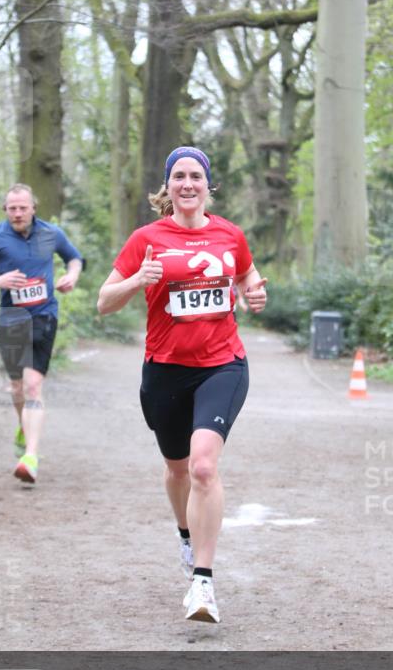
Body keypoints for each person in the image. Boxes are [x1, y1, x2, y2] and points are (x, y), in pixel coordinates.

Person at [97, 147, 267, 623]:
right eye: (179, 176)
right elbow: (103, 302)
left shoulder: (229, 234)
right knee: (176, 470)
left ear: (207, 186)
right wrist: (137, 280)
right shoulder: (147, 238)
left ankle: (203, 584)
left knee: (204, 468)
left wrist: (254, 291)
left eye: (196, 176)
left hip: (223, 365)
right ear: (167, 187)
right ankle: (186, 535)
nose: (187, 184)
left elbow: (248, 273)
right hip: (165, 370)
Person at [0, 183, 83, 484]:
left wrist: (71, 276)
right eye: (12, 208)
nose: (17, 213)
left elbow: (74, 257)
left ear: (33, 208)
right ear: (5, 210)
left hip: (44, 316)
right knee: (17, 387)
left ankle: (30, 456)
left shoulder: (51, 233)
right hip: (10, 320)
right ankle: (23, 424)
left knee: (32, 386)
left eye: (23, 207)